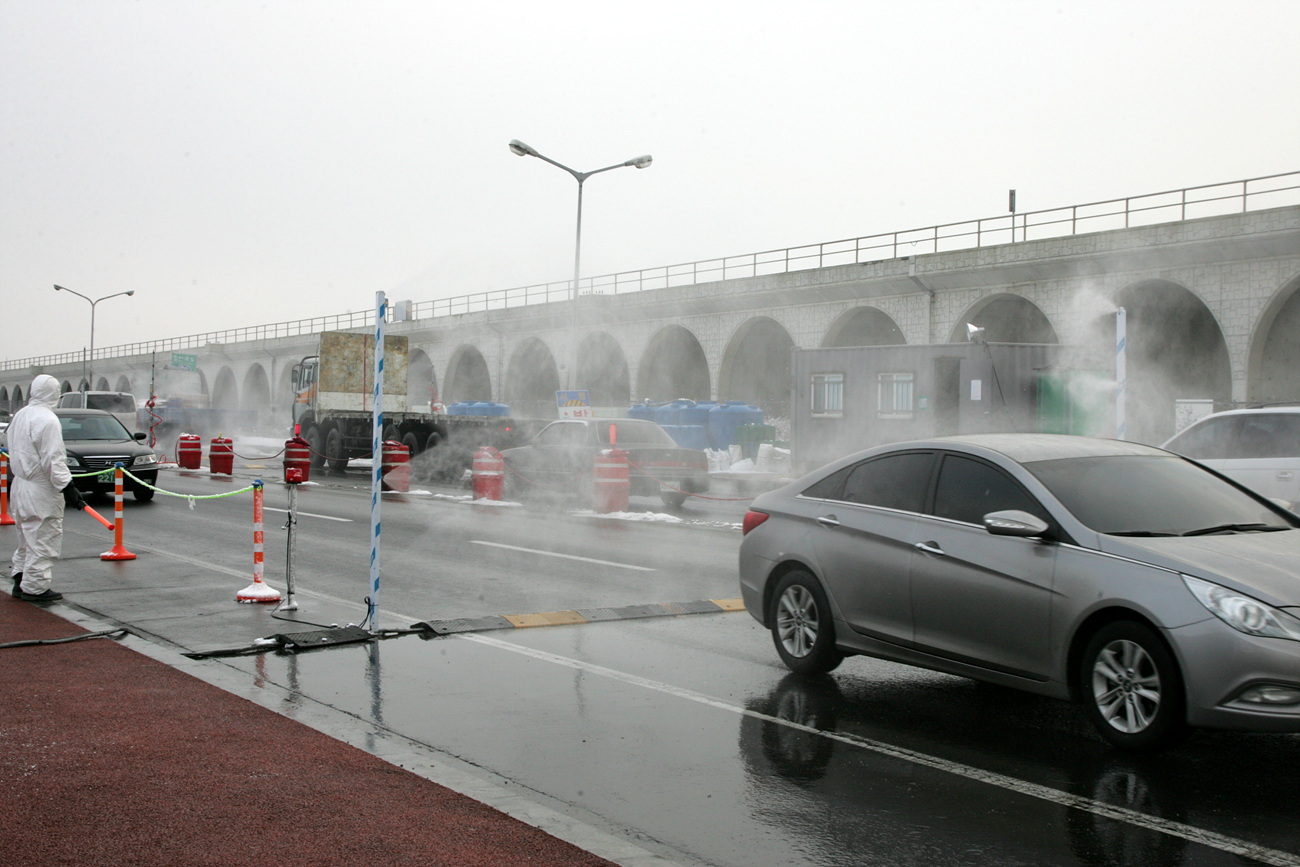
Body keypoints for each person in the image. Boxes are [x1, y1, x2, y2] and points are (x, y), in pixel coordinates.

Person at [8, 374, 84, 603]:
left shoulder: (21, 415)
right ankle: (35, 587)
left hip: (20, 484)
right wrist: (67, 487)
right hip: (40, 488)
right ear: (54, 393)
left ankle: (21, 579)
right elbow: (53, 459)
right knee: (43, 537)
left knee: (25, 537)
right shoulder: (48, 420)